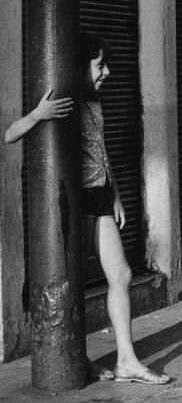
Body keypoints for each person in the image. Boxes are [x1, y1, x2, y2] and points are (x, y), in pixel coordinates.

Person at [5, 34, 171, 384]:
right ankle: (78, 359)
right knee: (72, 284)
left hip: (99, 197)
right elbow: (9, 135)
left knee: (121, 275)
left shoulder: (94, 103)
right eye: (100, 65)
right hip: (71, 200)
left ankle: (127, 360)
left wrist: (117, 196)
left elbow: (101, 150)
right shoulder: (62, 103)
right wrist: (38, 114)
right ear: (81, 67)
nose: (107, 72)